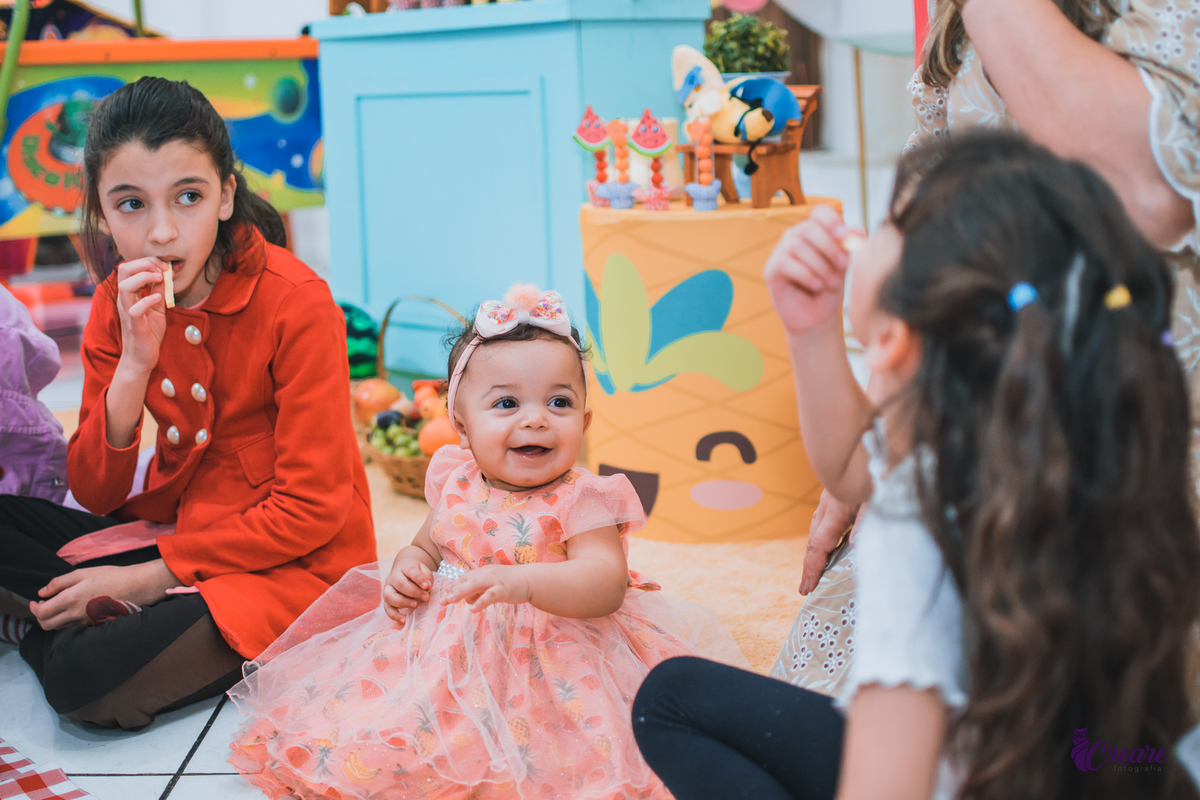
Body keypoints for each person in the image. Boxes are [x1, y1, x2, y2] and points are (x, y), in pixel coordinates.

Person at [633, 132, 1200, 800]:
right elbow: (850, 467)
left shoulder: (917, 516)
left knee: (665, 701)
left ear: (897, 340)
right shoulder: (1111, 453)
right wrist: (810, 328)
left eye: (891, 222)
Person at [776, 0, 1200, 696]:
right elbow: (854, 464)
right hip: (980, 408)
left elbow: (1155, 184)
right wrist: (828, 352)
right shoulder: (939, 424)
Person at [227, 286, 745, 800]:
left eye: (559, 401)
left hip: (558, 644)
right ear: (461, 425)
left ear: (584, 422)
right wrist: (409, 568)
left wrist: (522, 581)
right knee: (398, 732)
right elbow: (427, 545)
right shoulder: (456, 478)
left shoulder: (585, 497)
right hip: (447, 641)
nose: (535, 417)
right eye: (506, 403)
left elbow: (605, 583)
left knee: (568, 751)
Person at [0, 77, 376, 730]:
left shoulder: (297, 301)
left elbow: (313, 510)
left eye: (189, 197)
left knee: (84, 684)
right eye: (130, 204)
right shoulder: (115, 303)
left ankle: (41, 628)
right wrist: (134, 367)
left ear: (227, 194)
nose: (162, 232)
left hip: (293, 566)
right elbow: (92, 488)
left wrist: (148, 578)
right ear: (101, 210)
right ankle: (78, 617)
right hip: (176, 532)